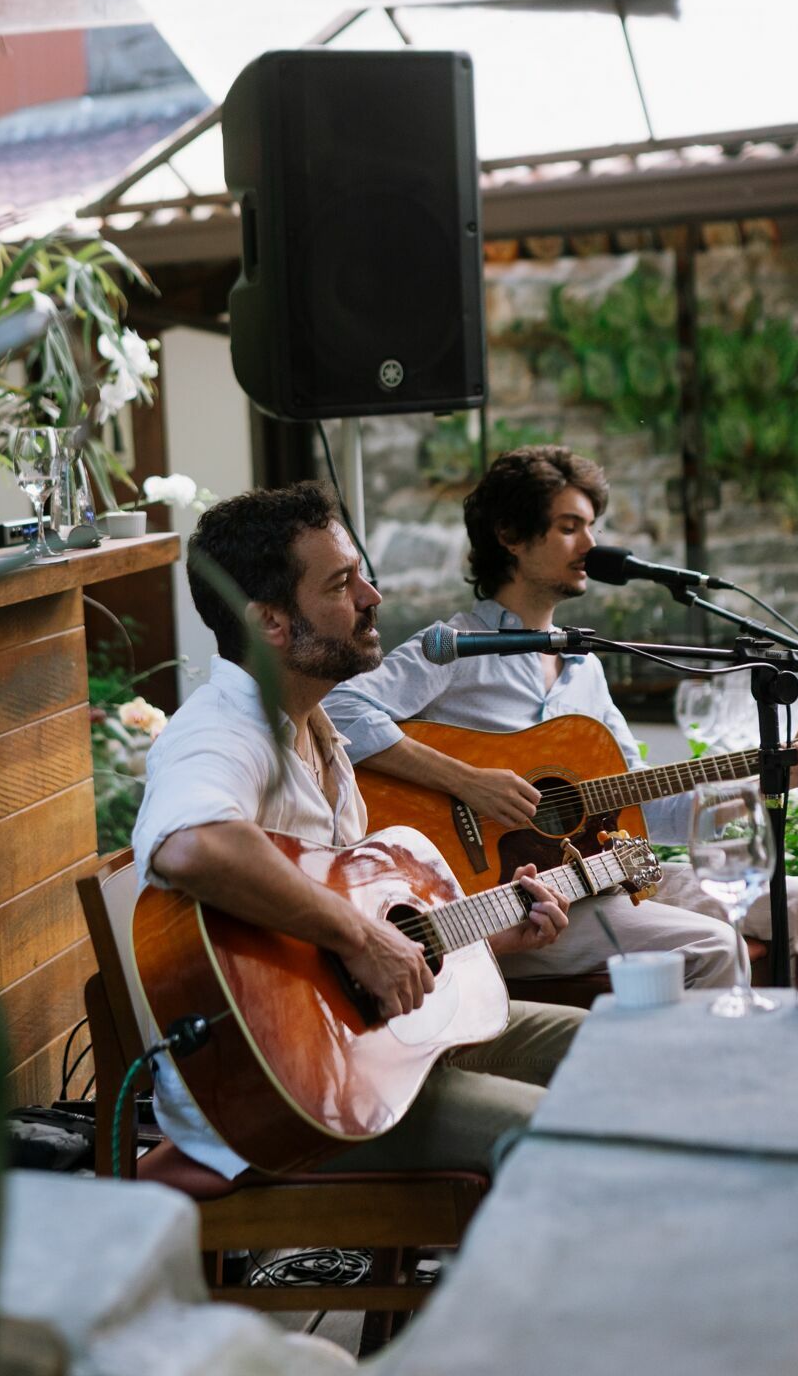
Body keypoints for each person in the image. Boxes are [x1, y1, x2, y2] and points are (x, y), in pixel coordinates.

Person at [132, 481, 584, 1181]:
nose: (372, 598)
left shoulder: (320, 732)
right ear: (272, 624)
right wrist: (363, 937)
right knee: (566, 1141)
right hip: (283, 1096)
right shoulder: (221, 732)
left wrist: (484, 930)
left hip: (376, 1049)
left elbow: (353, 942)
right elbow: (194, 843)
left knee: (618, 1049)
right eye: (342, 585)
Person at [324, 446, 798, 988]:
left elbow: (650, 810)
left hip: (602, 876)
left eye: (590, 526)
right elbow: (337, 711)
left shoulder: (584, 669)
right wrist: (467, 782)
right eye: (569, 527)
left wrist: (768, 778)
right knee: (711, 946)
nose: (590, 544)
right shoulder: (454, 648)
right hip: (501, 902)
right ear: (511, 536)